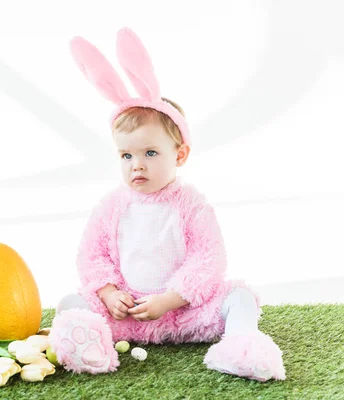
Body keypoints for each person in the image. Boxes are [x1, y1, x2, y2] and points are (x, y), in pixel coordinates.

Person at [49, 27, 285, 382]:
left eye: (150, 153)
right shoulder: (112, 206)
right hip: (127, 314)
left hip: (181, 312)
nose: (137, 165)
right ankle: (91, 346)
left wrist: (171, 299)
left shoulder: (191, 205)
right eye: (126, 155)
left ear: (181, 154)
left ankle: (241, 348)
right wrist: (110, 292)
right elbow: (92, 255)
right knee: (71, 302)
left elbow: (208, 260)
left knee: (240, 296)